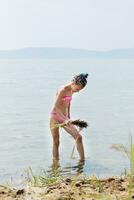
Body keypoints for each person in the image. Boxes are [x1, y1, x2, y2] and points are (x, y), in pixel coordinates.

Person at [49, 73, 88, 162]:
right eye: (78, 89)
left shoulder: (71, 90)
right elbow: (56, 106)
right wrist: (65, 119)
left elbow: (68, 103)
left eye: (80, 90)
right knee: (56, 141)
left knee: (78, 137)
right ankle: (55, 163)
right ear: (73, 83)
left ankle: (82, 162)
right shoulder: (62, 90)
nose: (78, 91)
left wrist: (68, 116)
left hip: (65, 117)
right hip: (55, 117)